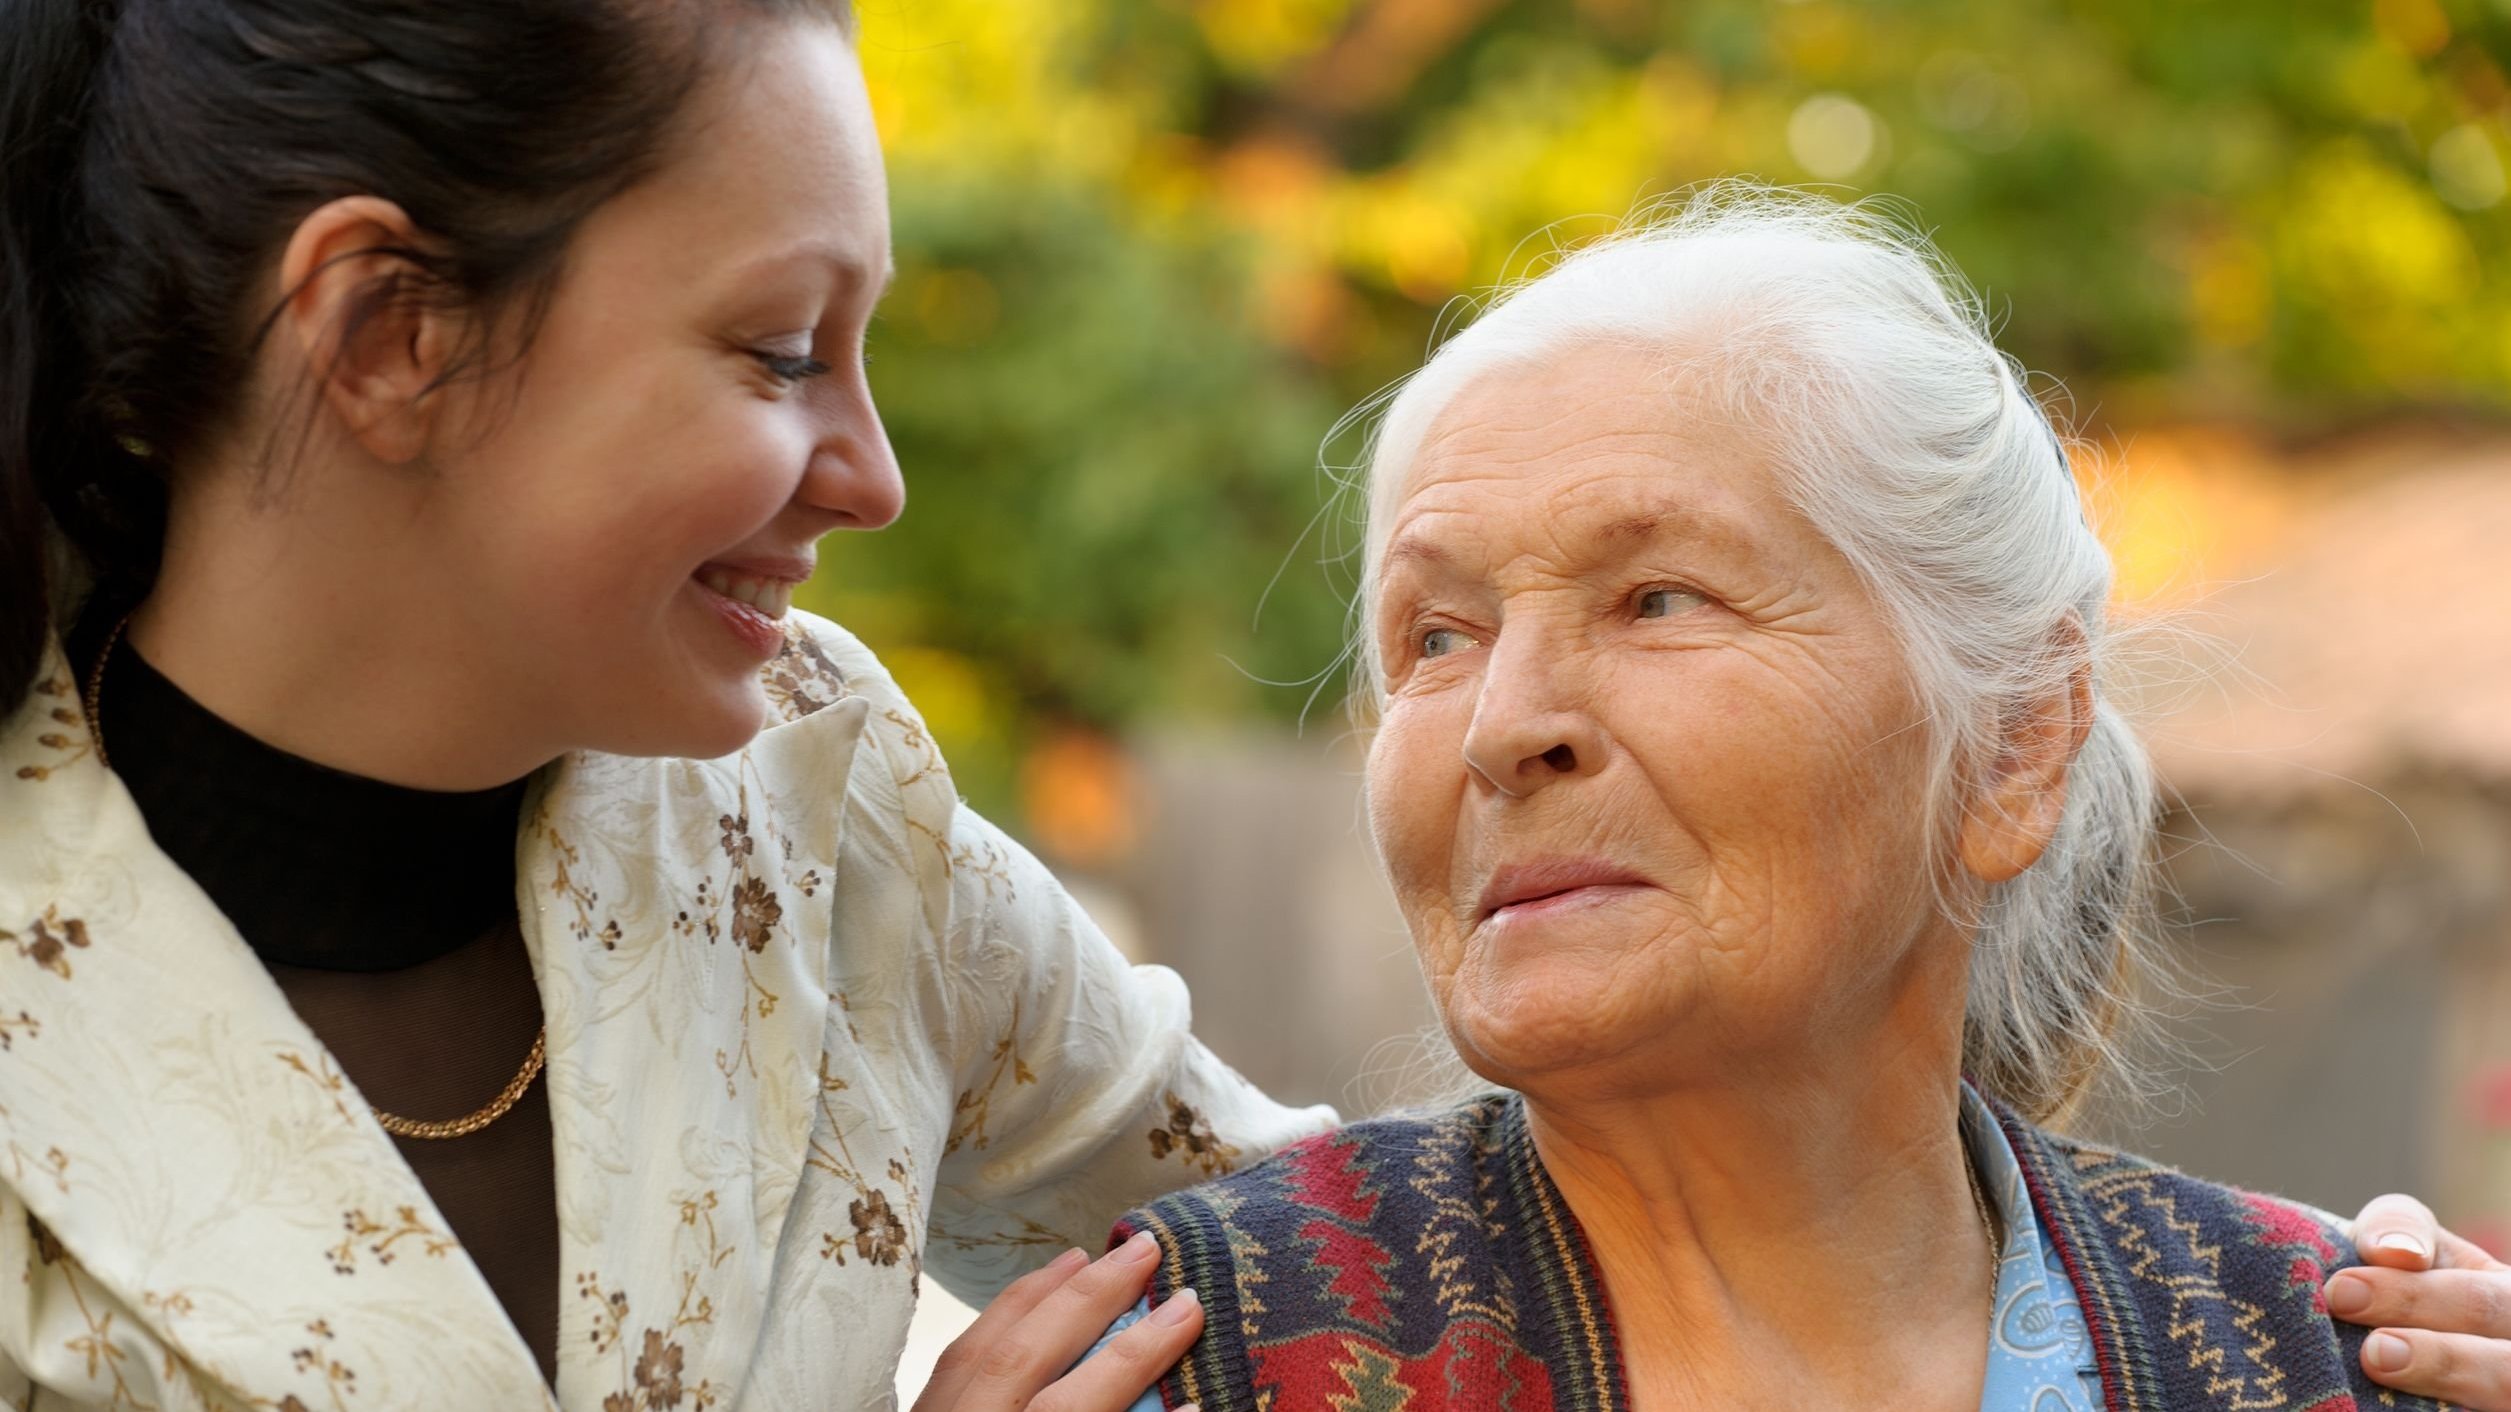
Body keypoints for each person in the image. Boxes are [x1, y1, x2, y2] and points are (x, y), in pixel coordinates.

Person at [0, 2, 1326, 1408]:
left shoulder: (835, 806)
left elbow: (1366, 1274)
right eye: (783, 349)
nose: (875, 479)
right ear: (391, 332)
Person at [1112, 191, 2511, 1412]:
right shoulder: (1194, 1357)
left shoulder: (2337, 1361)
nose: (1503, 727)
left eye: (1658, 599)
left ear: (2017, 745)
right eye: (1437, 637)